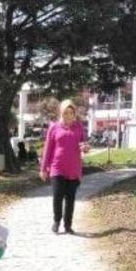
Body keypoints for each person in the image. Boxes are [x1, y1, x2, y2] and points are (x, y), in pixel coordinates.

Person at [40, 99, 90, 234]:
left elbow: (84, 145)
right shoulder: (54, 127)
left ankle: (68, 225)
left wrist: (86, 148)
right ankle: (57, 221)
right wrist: (43, 168)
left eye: (71, 112)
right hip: (57, 167)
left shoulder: (79, 127)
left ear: (74, 114)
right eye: (65, 112)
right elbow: (48, 149)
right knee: (57, 195)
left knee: (70, 198)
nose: (68, 115)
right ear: (60, 113)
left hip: (74, 168)